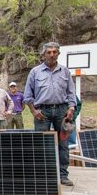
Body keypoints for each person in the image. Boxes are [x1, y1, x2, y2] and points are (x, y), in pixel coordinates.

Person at [24, 42, 76, 186]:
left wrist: (71, 109)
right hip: (42, 111)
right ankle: (43, 175)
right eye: (49, 52)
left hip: (62, 111)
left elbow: (71, 92)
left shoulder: (65, 72)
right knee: (41, 144)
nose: (52, 54)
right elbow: (28, 95)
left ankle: (63, 175)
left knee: (63, 143)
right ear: (43, 54)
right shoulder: (35, 72)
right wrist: (33, 111)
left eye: (54, 52)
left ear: (58, 54)